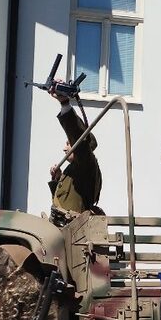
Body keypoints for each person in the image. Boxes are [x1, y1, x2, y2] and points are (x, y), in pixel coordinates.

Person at [47, 84, 103, 223]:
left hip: (73, 232)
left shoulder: (86, 164)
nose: (64, 149)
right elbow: (65, 202)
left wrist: (65, 103)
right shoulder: (74, 169)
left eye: (68, 144)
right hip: (63, 229)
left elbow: (78, 138)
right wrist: (57, 179)